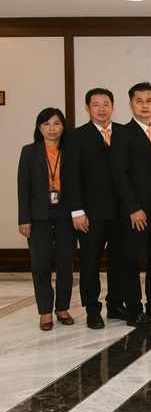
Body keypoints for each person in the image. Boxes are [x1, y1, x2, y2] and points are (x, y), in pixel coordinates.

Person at [110, 82, 151, 330]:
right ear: (130, 105)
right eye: (139, 101)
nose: (145, 105)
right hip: (135, 213)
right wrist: (133, 208)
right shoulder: (123, 133)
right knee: (133, 262)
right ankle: (134, 311)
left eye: (149, 101)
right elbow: (120, 174)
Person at [66, 88, 124, 329]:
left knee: (119, 261)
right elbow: (71, 176)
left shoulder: (123, 132)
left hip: (121, 213)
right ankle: (92, 309)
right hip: (91, 214)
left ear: (113, 107)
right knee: (90, 263)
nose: (102, 109)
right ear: (87, 108)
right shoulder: (76, 137)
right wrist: (77, 211)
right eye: (96, 105)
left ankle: (116, 304)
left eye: (106, 104)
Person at [17, 108, 77, 331]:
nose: (52, 129)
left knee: (65, 263)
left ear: (63, 126)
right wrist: (24, 218)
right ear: (39, 128)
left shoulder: (71, 150)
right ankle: (44, 311)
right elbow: (23, 187)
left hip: (66, 214)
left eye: (56, 123)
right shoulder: (29, 152)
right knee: (40, 264)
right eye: (46, 124)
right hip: (38, 216)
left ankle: (62, 308)